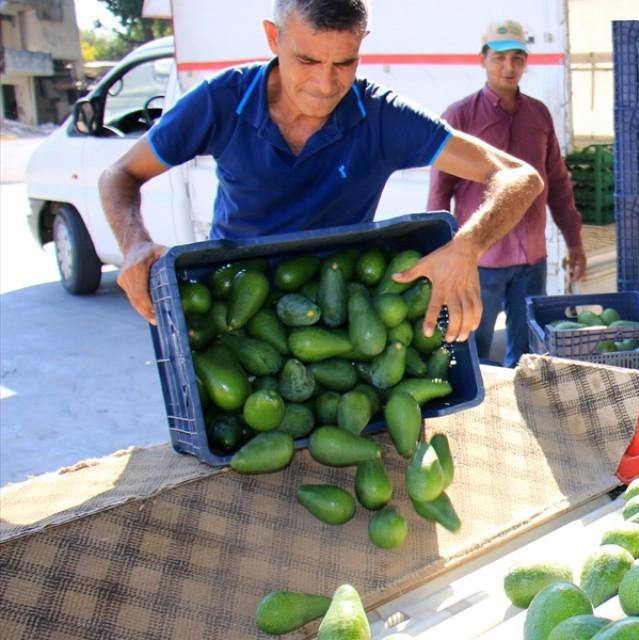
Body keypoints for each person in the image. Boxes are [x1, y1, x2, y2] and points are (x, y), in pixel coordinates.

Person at [102, 0, 544, 343]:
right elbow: (119, 174)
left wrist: (467, 246)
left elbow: (520, 176)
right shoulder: (220, 100)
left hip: (344, 318)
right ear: (273, 38)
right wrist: (135, 243)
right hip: (233, 306)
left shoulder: (383, 116)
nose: (326, 84)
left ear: (362, 44)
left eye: (345, 63)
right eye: (308, 61)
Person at [427, 19, 586, 368]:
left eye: (517, 58)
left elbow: (557, 182)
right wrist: (442, 252)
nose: (508, 67)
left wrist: (574, 241)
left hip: (532, 260)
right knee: (471, 345)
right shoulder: (460, 115)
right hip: (481, 261)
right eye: (499, 58)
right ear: (483, 60)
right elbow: (440, 191)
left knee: (529, 350)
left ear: (526, 63)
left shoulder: (539, 115)